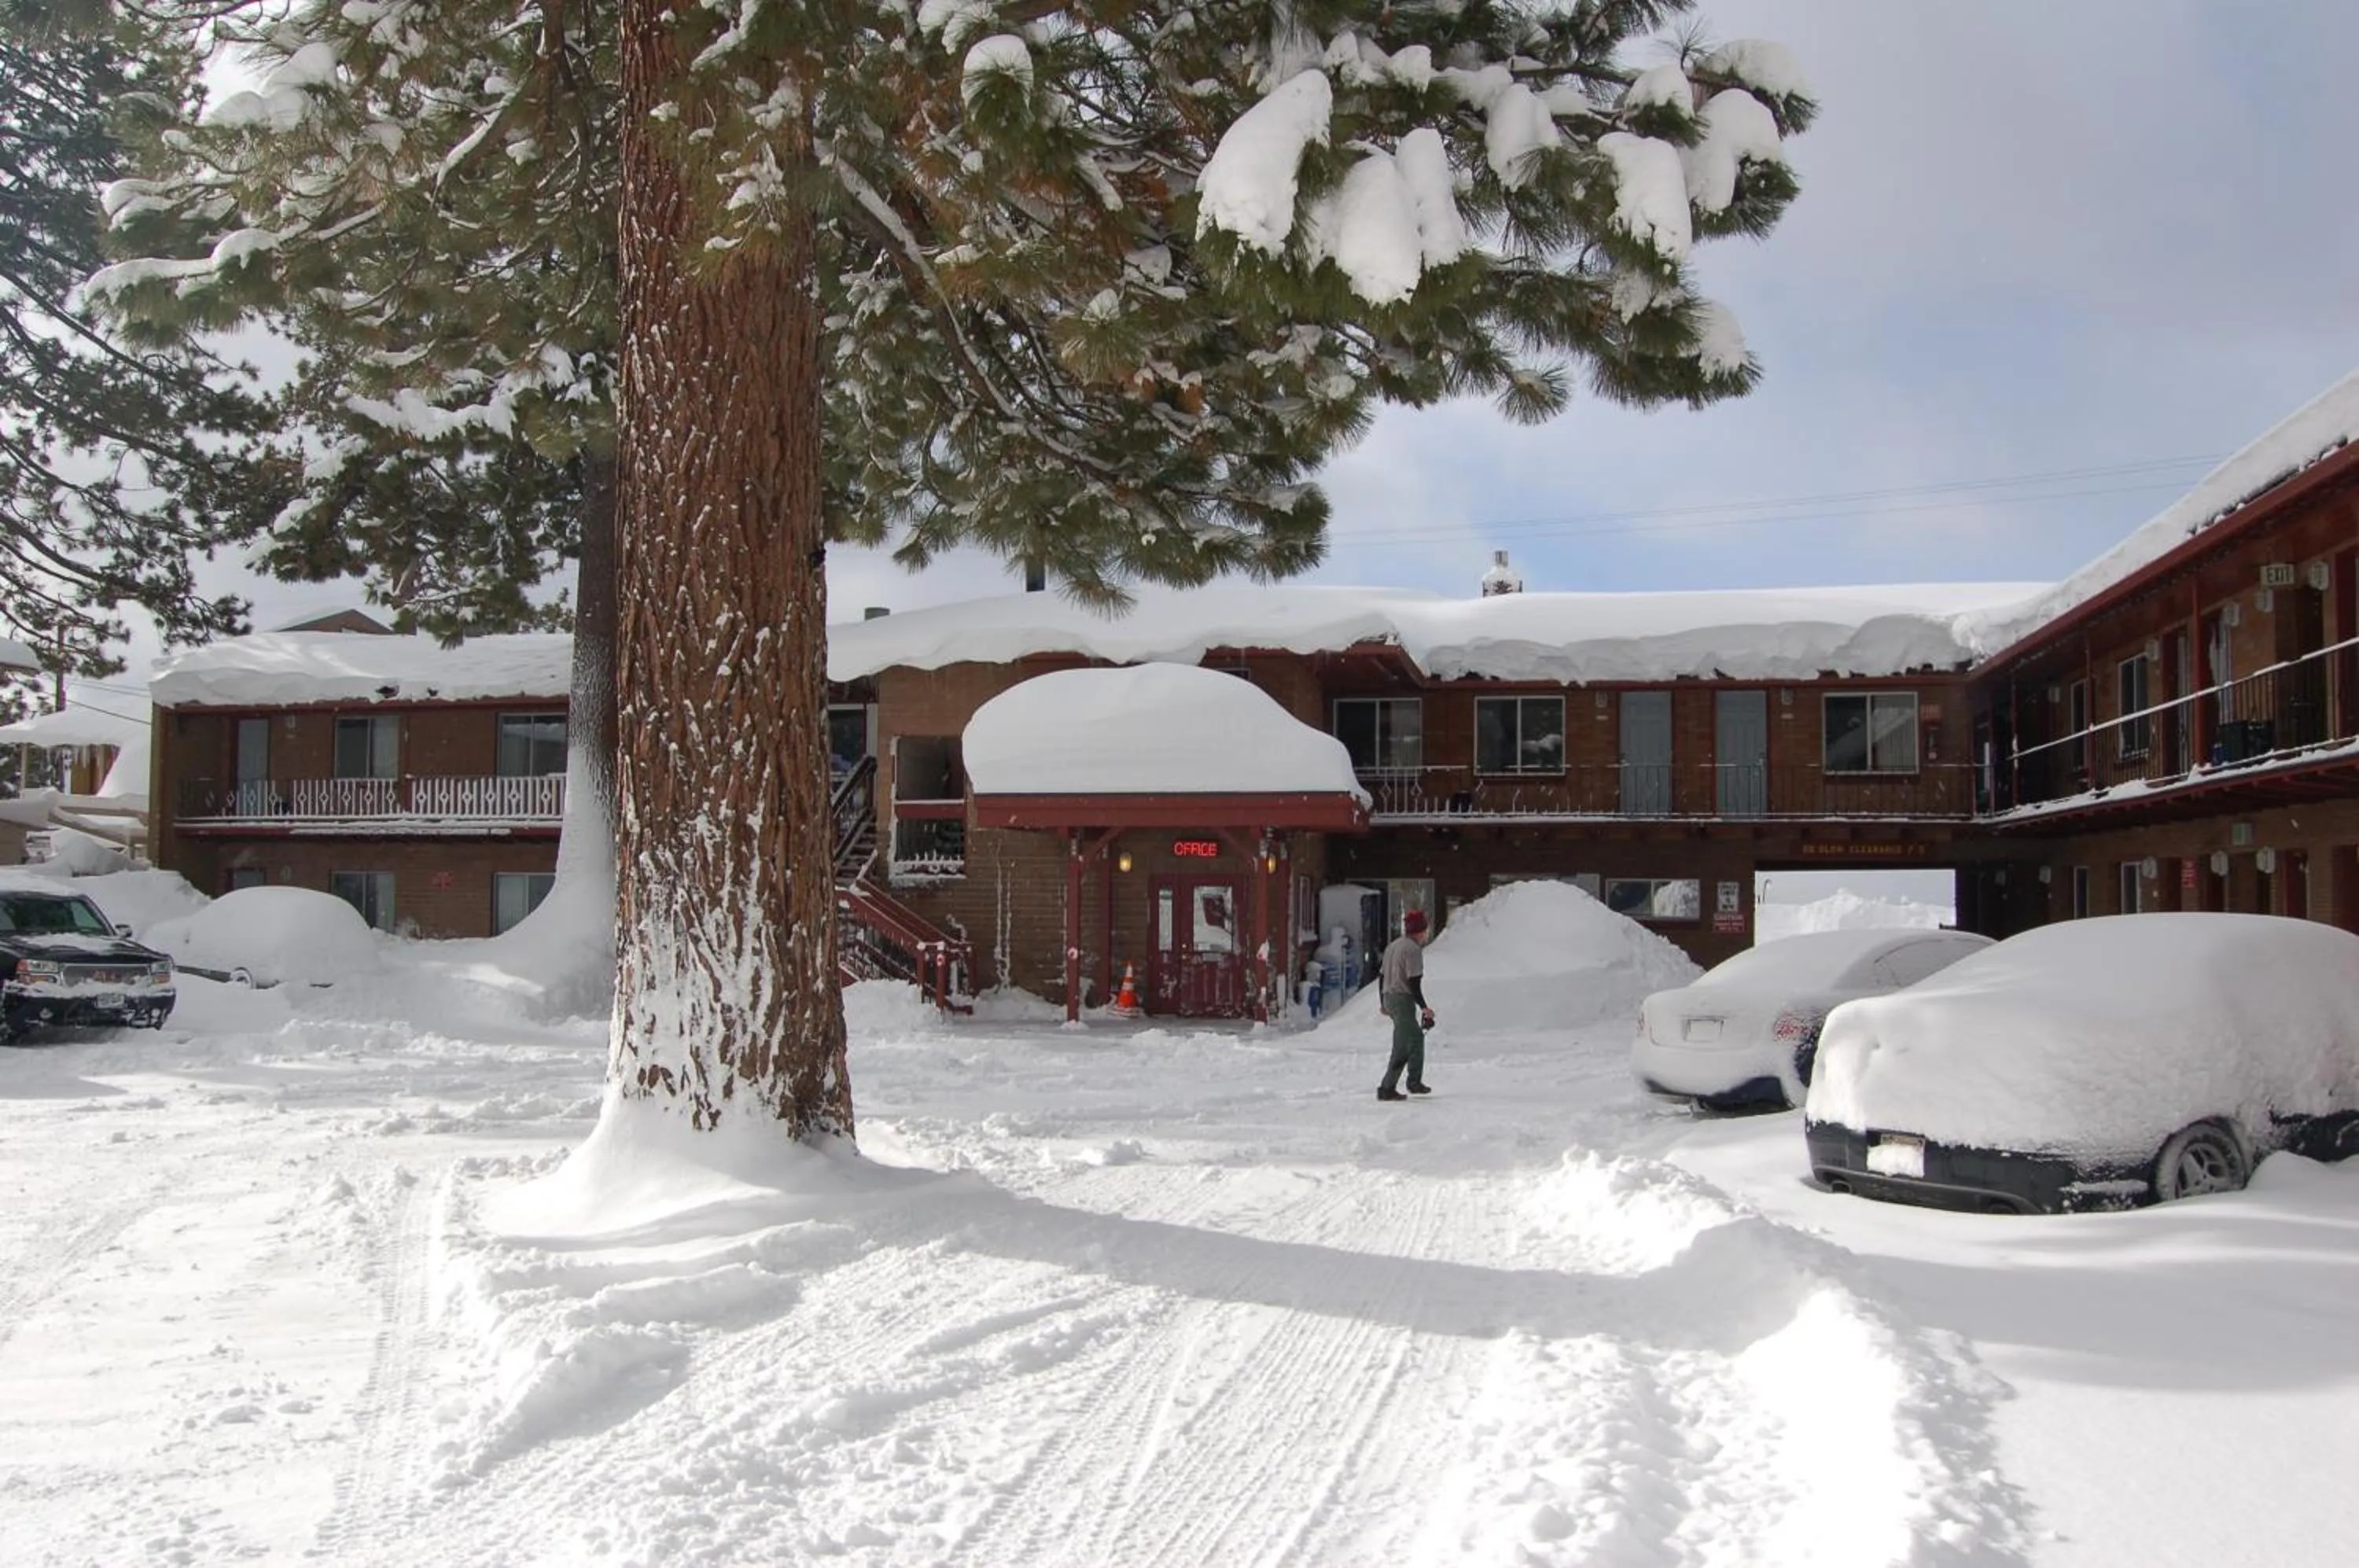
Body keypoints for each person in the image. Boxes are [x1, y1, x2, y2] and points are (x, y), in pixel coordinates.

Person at [1375, 909, 1437, 1101]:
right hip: (1403, 998)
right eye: (1425, 930)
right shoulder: (1413, 950)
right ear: (1420, 931)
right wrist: (1424, 1007)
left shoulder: (1393, 946)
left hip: (1389, 996)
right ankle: (1393, 1086)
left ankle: (1407, 1082)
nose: (1426, 934)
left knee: (1406, 1039)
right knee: (1411, 1041)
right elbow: (1414, 982)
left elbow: (1382, 976)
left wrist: (1382, 1002)